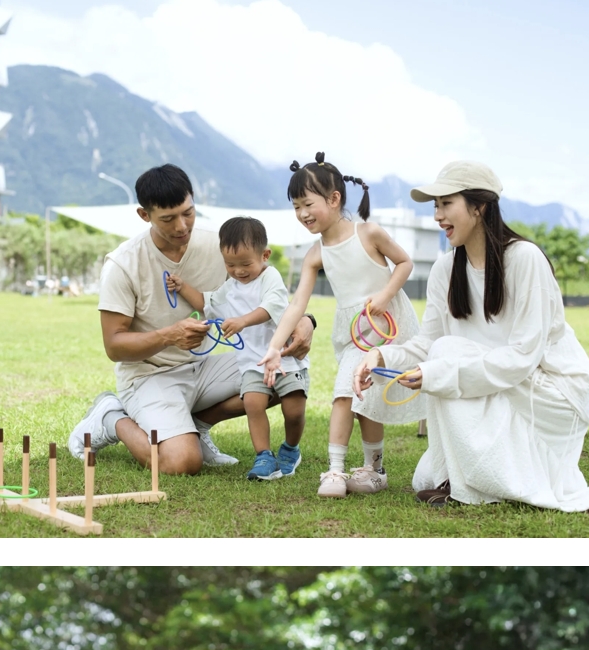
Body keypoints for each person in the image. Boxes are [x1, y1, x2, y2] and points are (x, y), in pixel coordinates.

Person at [350, 161, 589, 511]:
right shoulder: (446, 269)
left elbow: (522, 357)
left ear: (479, 207)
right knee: (425, 472)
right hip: (497, 379)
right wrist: (380, 356)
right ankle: (464, 477)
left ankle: (468, 486)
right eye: (436, 206)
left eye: (447, 204)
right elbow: (427, 345)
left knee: (447, 353)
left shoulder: (525, 259)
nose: (437, 216)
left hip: (553, 390)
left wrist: (439, 372)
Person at [69, 165, 316, 475]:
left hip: (201, 367)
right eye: (168, 219)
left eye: (188, 213)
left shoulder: (221, 247)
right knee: (182, 462)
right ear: (144, 215)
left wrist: (306, 320)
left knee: (284, 375)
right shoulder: (123, 264)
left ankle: (195, 425)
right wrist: (169, 336)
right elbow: (114, 346)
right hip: (149, 375)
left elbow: (268, 291)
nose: (182, 226)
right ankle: (111, 418)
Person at [258, 153, 419, 499]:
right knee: (348, 392)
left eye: (307, 204)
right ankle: (335, 470)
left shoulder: (369, 233)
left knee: (367, 399)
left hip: (388, 325)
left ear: (334, 199)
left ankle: (373, 470)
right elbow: (297, 305)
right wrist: (274, 348)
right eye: (296, 207)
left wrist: (385, 294)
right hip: (354, 336)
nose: (302, 213)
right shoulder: (315, 254)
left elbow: (405, 262)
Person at [164, 218, 304, 481]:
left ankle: (291, 449)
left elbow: (271, 307)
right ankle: (264, 456)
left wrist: (242, 321)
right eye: (230, 265)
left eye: (245, 264)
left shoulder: (270, 277)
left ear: (264, 256)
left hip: (284, 358)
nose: (238, 271)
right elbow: (207, 303)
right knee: (253, 403)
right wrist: (182, 287)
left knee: (294, 410)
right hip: (252, 362)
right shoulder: (230, 288)